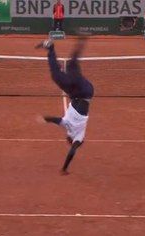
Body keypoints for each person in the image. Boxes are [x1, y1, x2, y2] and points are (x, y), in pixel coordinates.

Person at [35, 36, 94, 175]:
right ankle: (82, 40)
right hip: (85, 91)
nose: (68, 141)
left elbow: (56, 120)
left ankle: (50, 47)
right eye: (70, 141)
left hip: (75, 93)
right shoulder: (79, 136)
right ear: (73, 140)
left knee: (56, 75)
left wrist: (45, 119)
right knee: (72, 65)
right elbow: (73, 150)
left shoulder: (67, 126)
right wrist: (64, 168)